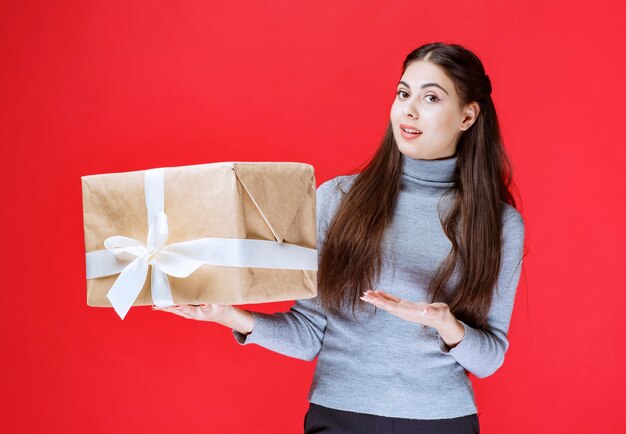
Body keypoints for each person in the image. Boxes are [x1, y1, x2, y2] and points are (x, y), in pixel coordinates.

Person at [154, 41, 526, 434]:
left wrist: (444, 323)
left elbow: (489, 359)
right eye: (403, 93)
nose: (409, 110)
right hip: (339, 417)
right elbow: (309, 333)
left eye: (431, 97)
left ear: (468, 116)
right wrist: (227, 314)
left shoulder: (498, 223)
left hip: (441, 420)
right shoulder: (338, 199)